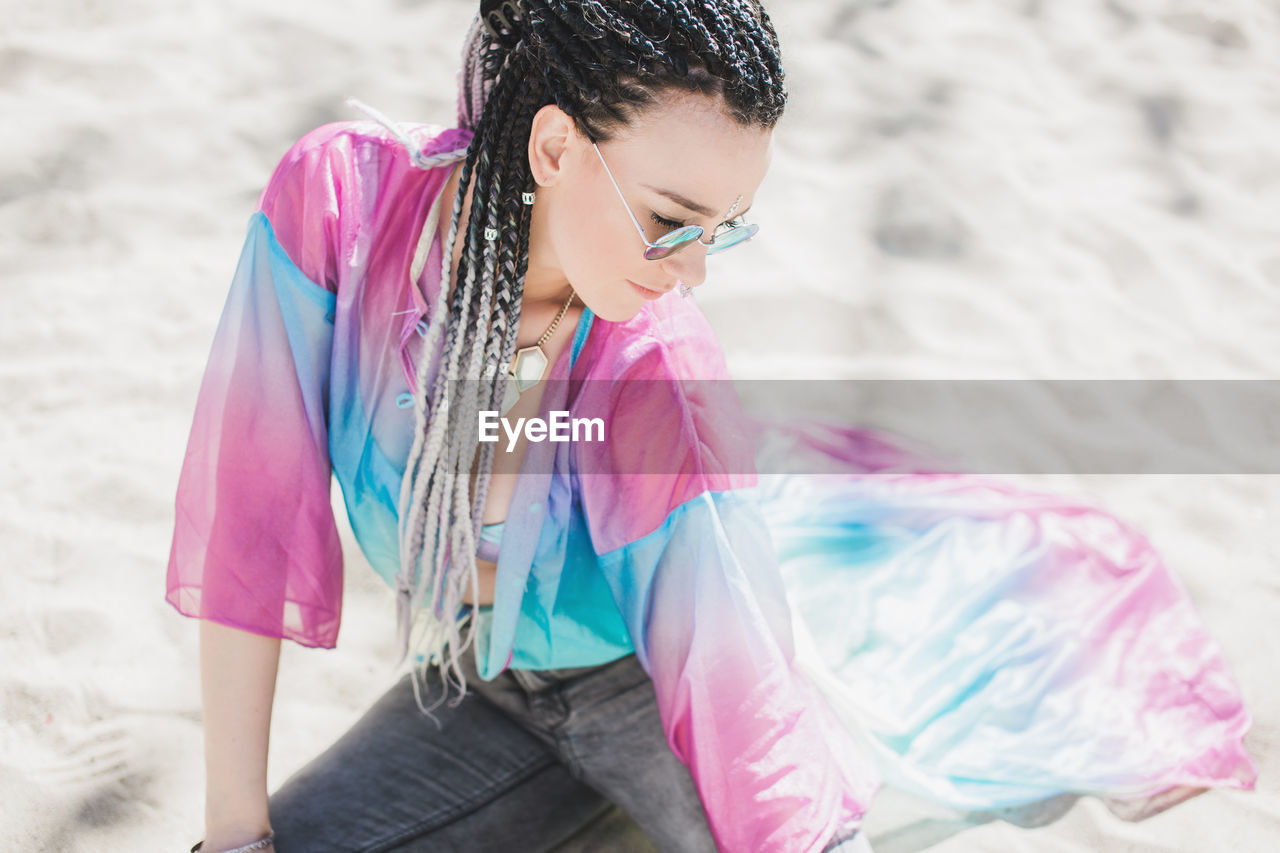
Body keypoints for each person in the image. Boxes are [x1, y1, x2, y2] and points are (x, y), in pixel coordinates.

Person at [167, 2, 1256, 852]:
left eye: (720, 234)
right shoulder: (341, 211)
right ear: (553, 147)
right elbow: (248, 524)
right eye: (669, 223)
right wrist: (235, 829)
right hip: (476, 685)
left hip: (645, 679)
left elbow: (727, 679)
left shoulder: (658, 369)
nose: (688, 272)